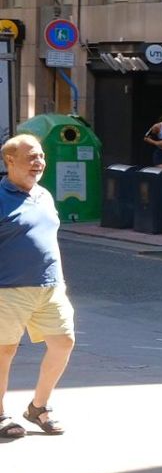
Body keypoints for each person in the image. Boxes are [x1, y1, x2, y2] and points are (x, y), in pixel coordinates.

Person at [0, 134, 74, 437]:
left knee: (63, 342)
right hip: (8, 288)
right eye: (31, 157)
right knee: (4, 351)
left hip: (50, 286)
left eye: (41, 156)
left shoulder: (44, 195)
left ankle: (38, 407)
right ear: (10, 160)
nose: (39, 162)